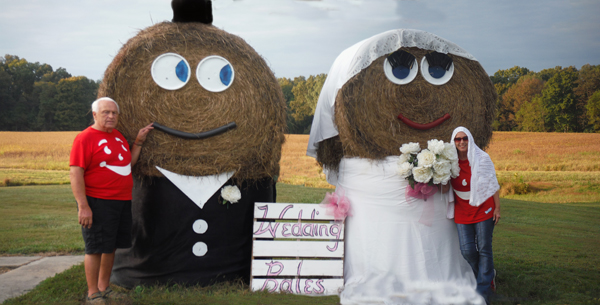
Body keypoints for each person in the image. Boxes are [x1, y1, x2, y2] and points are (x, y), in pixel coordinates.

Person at [69, 97, 153, 304]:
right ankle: (92, 293)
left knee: (111, 247)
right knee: (95, 247)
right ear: (94, 115)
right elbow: (76, 173)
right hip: (98, 201)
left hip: (122, 201)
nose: (111, 116)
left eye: (114, 113)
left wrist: (139, 142)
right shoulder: (85, 138)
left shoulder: (118, 137)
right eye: (106, 112)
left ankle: (104, 288)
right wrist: (83, 206)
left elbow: (127, 165)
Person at [450, 126, 501, 304]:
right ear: (453, 142)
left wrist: (497, 208)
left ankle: (481, 292)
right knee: (468, 250)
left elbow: (493, 184)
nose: (462, 142)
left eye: (465, 138)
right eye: (458, 139)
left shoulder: (482, 159)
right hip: (462, 210)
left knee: (485, 249)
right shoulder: (449, 162)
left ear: (470, 139)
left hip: (484, 207)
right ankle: (487, 275)